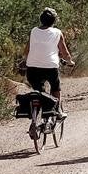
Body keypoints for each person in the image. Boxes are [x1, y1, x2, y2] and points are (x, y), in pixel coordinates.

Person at [24, 7, 73, 137]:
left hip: (32, 67)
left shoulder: (33, 31)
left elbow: (27, 49)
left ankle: (35, 118)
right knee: (56, 87)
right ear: (54, 21)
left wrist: (26, 61)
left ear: (41, 20)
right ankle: (57, 111)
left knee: (38, 91)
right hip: (50, 67)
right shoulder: (57, 32)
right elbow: (64, 52)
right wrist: (69, 61)